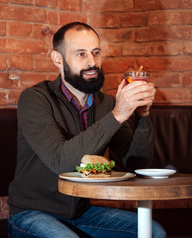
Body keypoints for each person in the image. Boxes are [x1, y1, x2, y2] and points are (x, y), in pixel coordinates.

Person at [8, 22, 166, 238]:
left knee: (153, 231)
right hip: (31, 214)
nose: (92, 62)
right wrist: (118, 114)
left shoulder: (106, 104)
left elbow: (136, 164)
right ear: (58, 59)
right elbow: (60, 161)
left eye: (96, 52)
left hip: (82, 214)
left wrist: (142, 115)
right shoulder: (35, 99)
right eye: (81, 54)